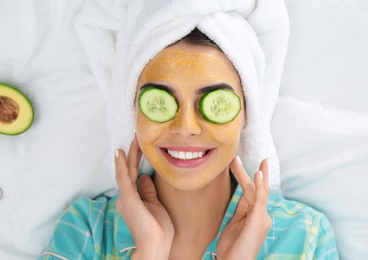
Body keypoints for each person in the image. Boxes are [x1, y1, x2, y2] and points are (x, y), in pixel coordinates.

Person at [39, 28, 338, 259]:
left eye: (215, 103)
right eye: (160, 103)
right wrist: (150, 252)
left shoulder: (305, 237)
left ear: (247, 114)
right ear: (133, 112)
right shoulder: (86, 230)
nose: (185, 127)